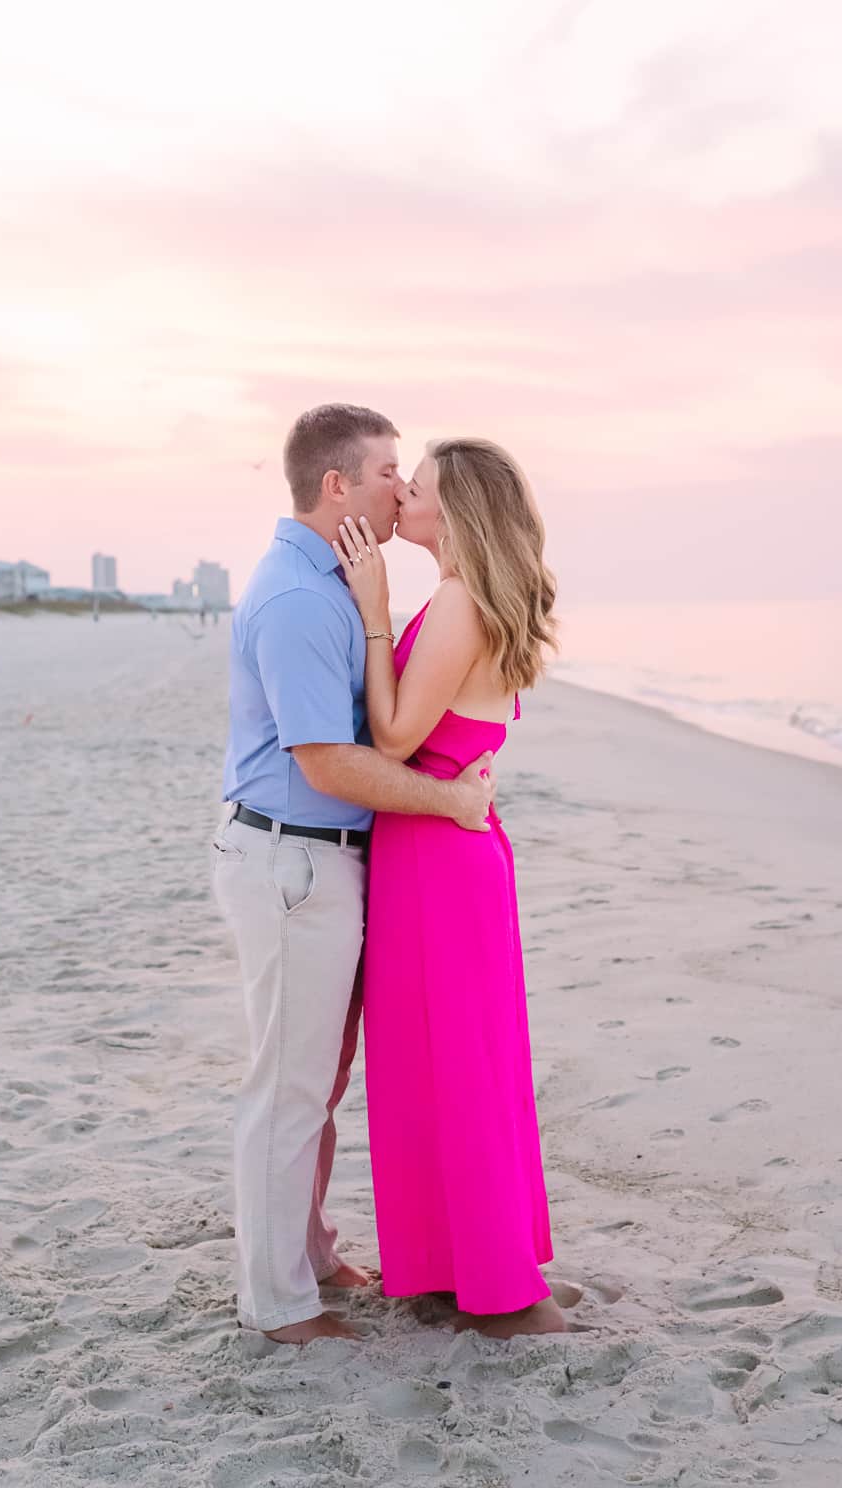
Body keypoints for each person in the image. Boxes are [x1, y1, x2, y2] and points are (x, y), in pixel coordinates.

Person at [213, 405, 497, 1346]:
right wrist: (450, 802)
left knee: (315, 1083)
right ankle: (278, 1303)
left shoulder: (331, 581)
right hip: (293, 857)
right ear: (336, 485)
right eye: (385, 472)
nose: (399, 488)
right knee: (288, 1089)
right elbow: (332, 761)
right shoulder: (299, 600)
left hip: (323, 860)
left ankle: (313, 1251)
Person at [332, 437, 564, 1339]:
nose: (403, 501)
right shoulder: (461, 599)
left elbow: (391, 739)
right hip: (432, 848)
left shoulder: (461, 604)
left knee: (460, 1064)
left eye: (417, 490)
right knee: (433, 1062)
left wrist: (374, 613)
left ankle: (501, 1287)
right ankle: (450, 1264)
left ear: (455, 514)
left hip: (439, 858)